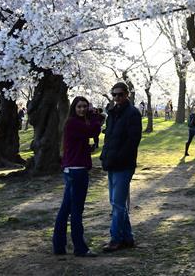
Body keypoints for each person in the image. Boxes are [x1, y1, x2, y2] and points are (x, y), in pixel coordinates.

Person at [53, 96, 104, 258]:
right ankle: (80, 248)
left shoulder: (74, 123)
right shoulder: (74, 123)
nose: (82, 109)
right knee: (76, 211)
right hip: (77, 172)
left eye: (85, 107)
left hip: (71, 169)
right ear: (74, 108)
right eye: (79, 107)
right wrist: (95, 117)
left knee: (65, 209)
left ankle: (59, 245)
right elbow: (94, 131)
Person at [99, 82, 142, 253]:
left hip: (124, 165)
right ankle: (128, 237)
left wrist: (117, 158)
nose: (117, 98)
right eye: (114, 95)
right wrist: (105, 157)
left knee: (117, 204)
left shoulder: (132, 114)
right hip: (111, 163)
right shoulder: (112, 113)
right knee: (116, 203)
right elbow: (109, 138)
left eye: (120, 95)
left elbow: (132, 142)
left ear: (127, 95)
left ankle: (116, 239)